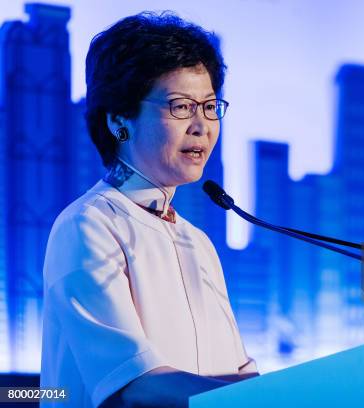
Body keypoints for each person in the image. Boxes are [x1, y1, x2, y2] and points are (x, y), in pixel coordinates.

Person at [40, 12, 257, 408]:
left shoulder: (198, 242)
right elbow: (135, 386)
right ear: (120, 120)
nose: (202, 126)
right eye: (180, 107)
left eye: (210, 106)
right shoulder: (88, 225)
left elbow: (240, 376)